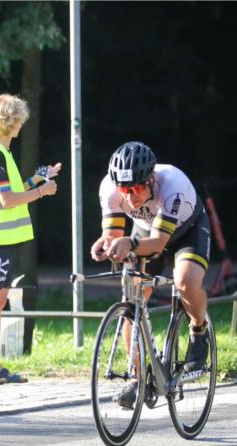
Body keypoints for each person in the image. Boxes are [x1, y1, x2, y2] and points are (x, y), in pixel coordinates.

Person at [90, 141, 213, 407]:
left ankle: (199, 330)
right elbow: (111, 233)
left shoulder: (172, 185)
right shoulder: (109, 188)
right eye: (125, 190)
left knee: (185, 280)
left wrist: (129, 244)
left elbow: (158, 244)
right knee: (133, 295)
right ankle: (139, 376)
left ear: (151, 179)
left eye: (136, 188)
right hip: (145, 229)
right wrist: (106, 244)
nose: (130, 196)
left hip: (186, 231)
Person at [0, 94, 61, 385]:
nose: (22, 123)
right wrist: (42, 192)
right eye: (19, 118)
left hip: (5, 239)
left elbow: (14, 189)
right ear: (11, 121)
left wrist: (43, 176)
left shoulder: (2, 153)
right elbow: (8, 200)